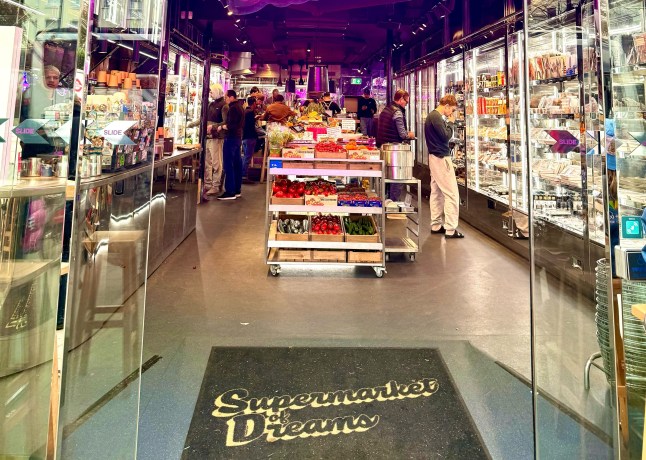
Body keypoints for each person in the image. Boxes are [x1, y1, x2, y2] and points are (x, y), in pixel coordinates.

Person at [425, 94, 463, 239]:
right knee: (451, 193)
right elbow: (445, 136)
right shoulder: (436, 117)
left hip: (434, 157)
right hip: (441, 158)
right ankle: (451, 229)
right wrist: (451, 123)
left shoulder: (432, 116)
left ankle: (436, 225)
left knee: (436, 192)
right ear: (446, 106)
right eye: (451, 110)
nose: (451, 113)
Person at [217, 90, 244, 201]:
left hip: (231, 138)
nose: (225, 99)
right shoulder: (240, 107)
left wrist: (222, 127)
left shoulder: (233, 108)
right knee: (237, 164)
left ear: (231, 97)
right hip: (238, 138)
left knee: (228, 165)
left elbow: (232, 124)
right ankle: (237, 190)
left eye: (226, 97)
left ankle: (230, 191)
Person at [205, 84, 226, 196]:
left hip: (217, 138)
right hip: (208, 137)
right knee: (207, 162)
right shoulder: (211, 104)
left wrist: (213, 127)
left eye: (211, 92)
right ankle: (208, 184)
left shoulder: (224, 105)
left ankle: (216, 185)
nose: (210, 94)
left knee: (216, 163)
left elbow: (226, 122)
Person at [242, 96, 260, 182]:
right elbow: (251, 125)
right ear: (254, 103)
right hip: (250, 137)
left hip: (244, 137)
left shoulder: (244, 111)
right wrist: (255, 118)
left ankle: (243, 174)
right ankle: (243, 175)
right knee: (247, 157)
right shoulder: (251, 112)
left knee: (245, 156)